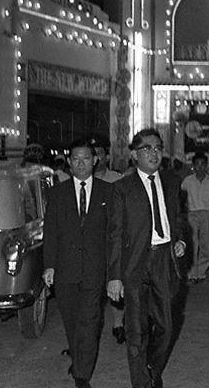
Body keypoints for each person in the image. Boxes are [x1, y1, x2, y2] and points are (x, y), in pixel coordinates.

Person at [107, 128, 187, 388]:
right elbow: (115, 233)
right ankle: (141, 383)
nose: (154, 153)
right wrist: (114, 276)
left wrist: (180, 240)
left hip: (164, 260)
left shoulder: (172, 183)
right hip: (134, 264)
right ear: (134, 155)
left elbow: (178, 218)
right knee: (136, 330)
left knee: (166, 326)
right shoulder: (122, 188)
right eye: (147, 148)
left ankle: (151, 367)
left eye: (158, 148)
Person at [42, 139, 121, 388]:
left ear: (95, 160)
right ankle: (79, 359)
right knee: (71, 321)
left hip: (95, 270)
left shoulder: (108, 192)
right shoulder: (57, 193)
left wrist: (114, 272)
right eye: (75, 159)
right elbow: (50, 232)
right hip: (65, 269)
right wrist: (49, 266)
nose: (80, 163)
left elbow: (114, 235)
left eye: (86, 158)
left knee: (89, 320)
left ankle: (81, 375)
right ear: (69, 161)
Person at [92, 138, 126, 345]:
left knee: (114, 281)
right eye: (93, 154)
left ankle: (118, 324)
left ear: (106, 156)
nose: (97, 158)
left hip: (112, 239)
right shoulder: (81, 180)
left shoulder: (117, 180)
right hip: (90, 242)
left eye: (100, 153)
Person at [180, 152, 209, 284]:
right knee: (192, 243)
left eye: (202, 164)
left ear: (206, 165)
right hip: (192, 214)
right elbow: (181, 199)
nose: (200, 167)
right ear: (193, 166)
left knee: (205, 243)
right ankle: (192, 273)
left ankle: (201, 272)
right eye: (197, 164)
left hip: (207, 214)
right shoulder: (187, 181)